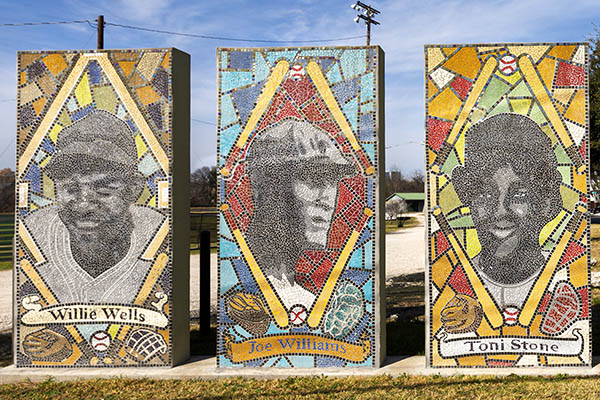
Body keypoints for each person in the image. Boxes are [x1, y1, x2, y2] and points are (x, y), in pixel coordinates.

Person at [23, 110, 165, 304]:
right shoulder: (33, 235)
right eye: (70, 189)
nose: (83, 206)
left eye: (104, 191)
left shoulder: (157, 234)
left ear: (133, 188)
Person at [452, 113, 562, 311]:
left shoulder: (561, 279)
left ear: (546, 201)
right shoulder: (455, 282)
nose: (500, 211)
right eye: (485, 195)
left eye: (520, 195)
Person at [244, 119, 355, 309]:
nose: (326, 197)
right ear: (271, 188)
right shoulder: (253, 290)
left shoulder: (300, 299)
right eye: (313, 178)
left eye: (333, 179)